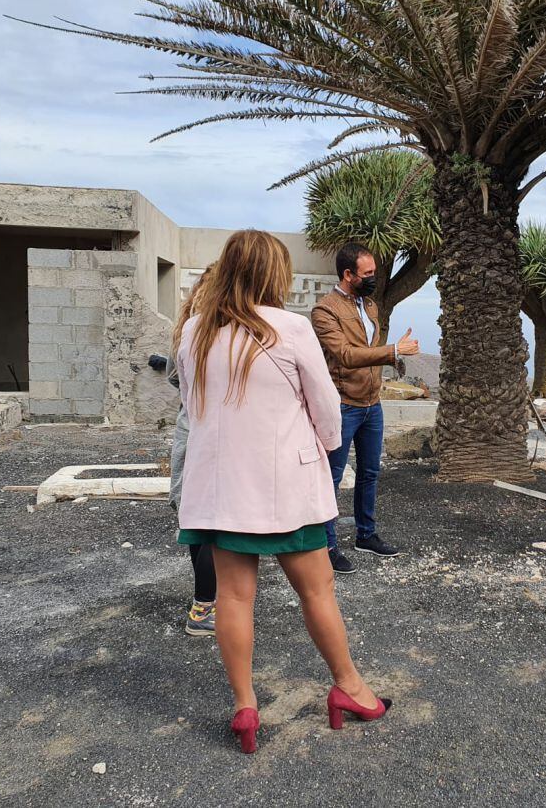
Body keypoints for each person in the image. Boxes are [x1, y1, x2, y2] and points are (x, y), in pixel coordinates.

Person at [176, 230, 390, 753]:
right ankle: (349, 688)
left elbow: (192, 403)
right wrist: (324, 452)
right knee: (317, 590)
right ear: (275, 273)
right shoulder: (291, 328)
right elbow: (326, 409)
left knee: (232, 596)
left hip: (222, 490)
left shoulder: (196, 331)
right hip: (285, 488)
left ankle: (245, 707)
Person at [311, 242, 420, 574]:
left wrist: (390, 356)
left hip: (373, 404)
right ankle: (327, 545)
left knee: (370, 473)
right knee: (332, 476)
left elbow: (368, 348)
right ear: (348, 275)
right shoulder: (324, 311)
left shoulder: (369, 304)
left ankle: (366, 535)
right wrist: (393, 351)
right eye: (368, 273)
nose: (374, 277)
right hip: (344, 405)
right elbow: (345, 354)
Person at [168, 266, 216, 636]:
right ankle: (204, 609)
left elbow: (173, 376)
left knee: (196, 522)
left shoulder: (185, 326)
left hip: (188, 430)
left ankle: (204, 603)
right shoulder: (213, 330)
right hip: (208, 433)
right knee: (212, 527)